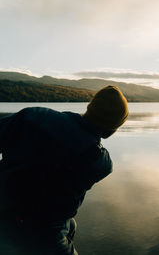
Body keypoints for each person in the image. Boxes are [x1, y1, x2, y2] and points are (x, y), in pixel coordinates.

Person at [0, 85, 129, 254]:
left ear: (89, 108)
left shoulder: (34, 115)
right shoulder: (101, 163)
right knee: (65, 224)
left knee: (71, 225)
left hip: (4, 207)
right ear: (111, 129)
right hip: (44, 230)